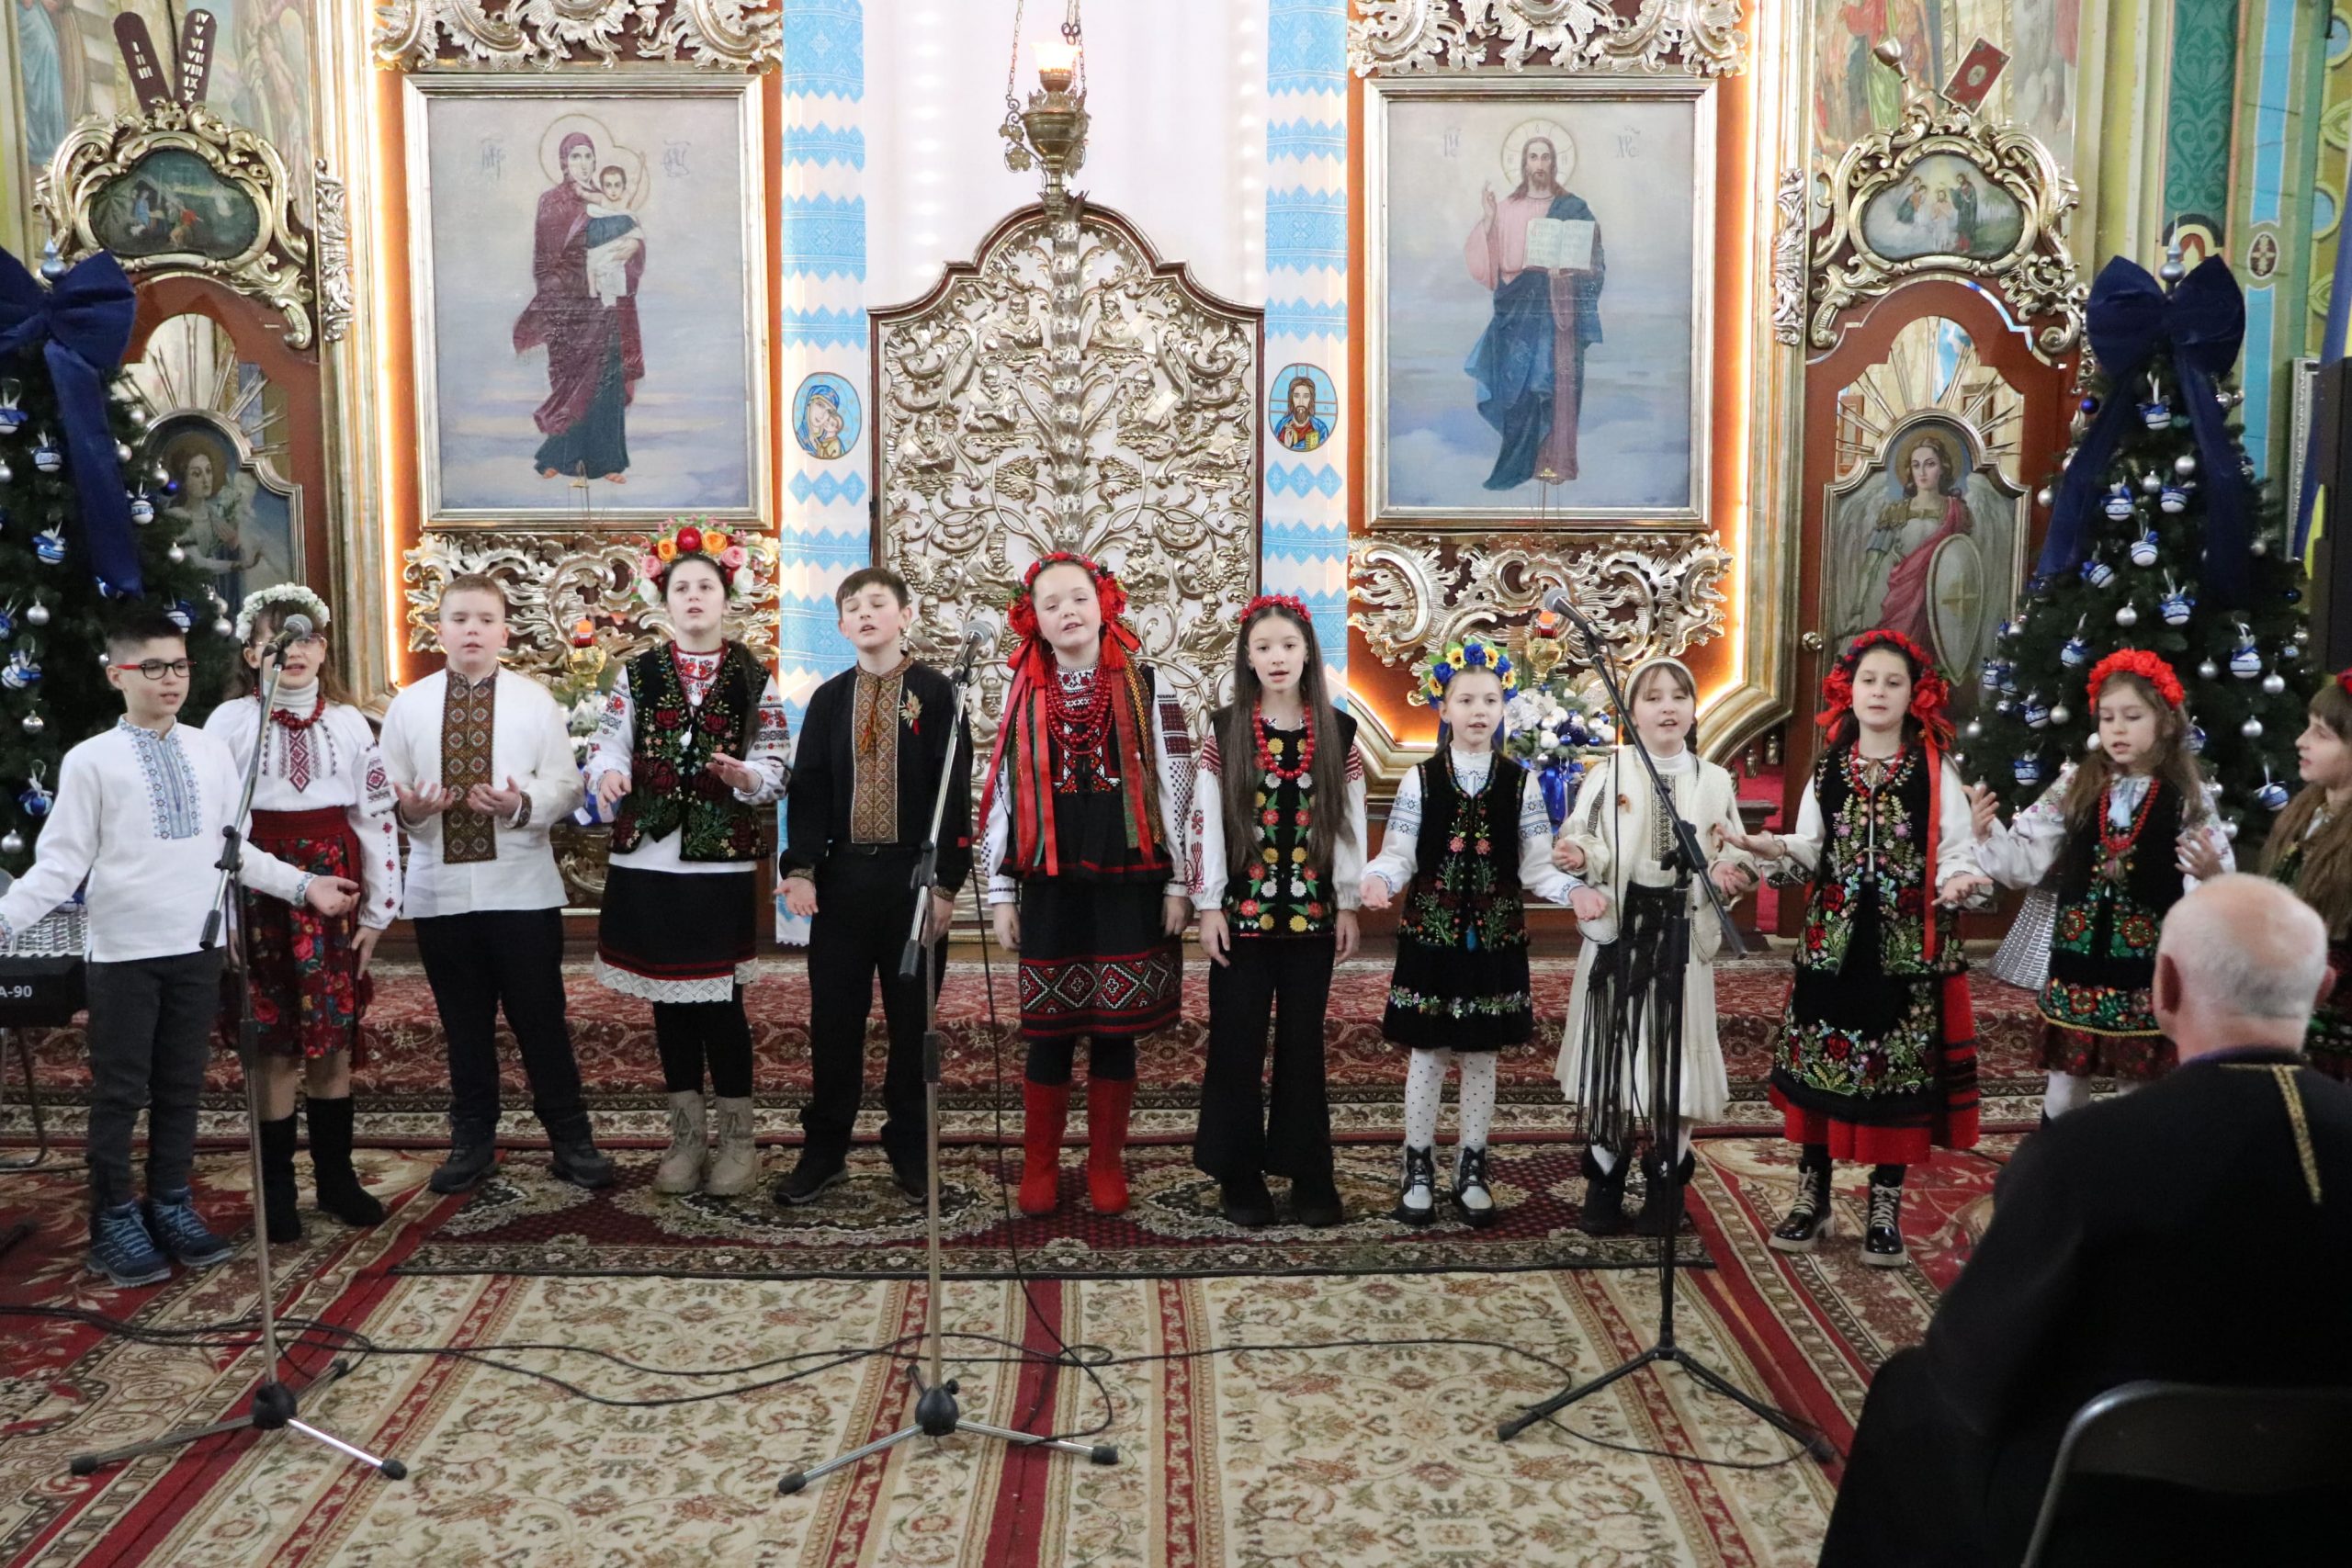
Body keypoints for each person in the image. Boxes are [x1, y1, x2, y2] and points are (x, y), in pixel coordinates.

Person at [1821, 874, 2352, 1568]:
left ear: (2164, 986)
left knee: (1907, 1392)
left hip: (2110, 1522)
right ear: (2324, 988)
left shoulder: (2087, 1151)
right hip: (2323, 1514)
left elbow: (1972, 1363)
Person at [0, 611, 358, 1288]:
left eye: (181, 665)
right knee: (121, 1089)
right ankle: (113, 1215)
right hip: (124, 953)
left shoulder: (208, 750)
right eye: (153, 667)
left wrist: (304, 886)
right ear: (118, 675)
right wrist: (5, 922)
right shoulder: (91, 760)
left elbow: (235, 849)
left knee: (181, 1084)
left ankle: (169, 1201)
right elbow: (59, 865)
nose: (171, 679)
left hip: (196, 947)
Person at [1724, 630, 1989, 1267]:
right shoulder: (1828, 769)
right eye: (1869, 680)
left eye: (1893, 682)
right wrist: (1770, 848)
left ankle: (1884, 1205)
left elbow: (1957, 848)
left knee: (1896, 1077)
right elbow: (1811, 850)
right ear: (1850, 690)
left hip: (1906, 949)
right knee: (1820, 1070)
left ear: (1914, 695)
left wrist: (1960, 878)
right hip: (1833, 944)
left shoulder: (1935, 769)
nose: (1879, 692)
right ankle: (1811, 1195)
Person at [379, 574, 616, 1194]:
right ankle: (472, 1141)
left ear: (505, 632)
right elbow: (388, 792)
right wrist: (412, 809)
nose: (472, 630)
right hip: (439, 892)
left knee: (541, 1019)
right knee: (463, 1025)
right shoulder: (409, 705)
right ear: (439, 629)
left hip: (521, 891)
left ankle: (571, 1138)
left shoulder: (533, 701)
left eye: (485, 620)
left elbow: (567, 787)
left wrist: (520, 803)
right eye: (460, 619)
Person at [982, 552, 1192, 1218]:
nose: (1067, 612)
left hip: (1130, 877)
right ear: (1034, 621)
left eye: (1078, 597)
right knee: (1049, 1029)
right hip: (1051, 878)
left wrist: (1181, 881)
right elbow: (1003, 794)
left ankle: (1105, 1162)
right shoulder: (1023, 691)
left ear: (1105, 604)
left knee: (1113, 1028)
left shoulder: (1150, 684)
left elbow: (1179, 787)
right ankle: (1040, 1164)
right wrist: (1001, 893)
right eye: (1051, 604)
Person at [588, 526, 789, 1199]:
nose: (695, 596)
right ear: (665, 601)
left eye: (706, 585)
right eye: (683, 588)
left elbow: (776, 762)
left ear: (726, 598)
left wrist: (748, 777)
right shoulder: (637, 674)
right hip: (649, 860)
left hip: (718, 862)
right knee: (667, 1004)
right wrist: (608, 773)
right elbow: (607, 743)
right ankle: (684, 1137)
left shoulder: (755, 676)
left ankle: (739, 1141)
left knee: (721, 1005)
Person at [1360, 636, 1580, 1226]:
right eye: (1466, 700)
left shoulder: (1520, 783)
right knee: (1428, 1052)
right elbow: (1399, 853)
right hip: (1431, 940)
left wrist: (1573, 891)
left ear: (1503, 708)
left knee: (1481, 1055)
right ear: (1444, 708)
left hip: (1494, 941)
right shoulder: (1421, 780)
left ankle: (1473, 1163)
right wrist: (1378, 878)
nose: (1479, 711)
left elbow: (1537, 867)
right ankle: (1418, 1163)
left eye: (1489, 700)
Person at [204, 586, 402, 1244]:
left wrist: (379, 908)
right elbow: (218, 829)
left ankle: (336, 1178)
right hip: (259, 888)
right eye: (277, 641)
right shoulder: (230, 724)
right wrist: (225, 918)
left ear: (323, 650)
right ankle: (278, 1190)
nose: (294, 652)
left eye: (307, 639)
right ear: (251, 653)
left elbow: (374, 817)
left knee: (330, 1035)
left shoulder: (348, 723)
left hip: (334, 891)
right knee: (274, 1042)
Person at [775, 567, 970, 1204]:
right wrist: (801, 869)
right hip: (844, 880)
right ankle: (825, 1149)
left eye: (877, 603)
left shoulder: (939, 694)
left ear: (905, 615)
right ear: (840, 625)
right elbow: (808, 790)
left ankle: (911, 1147)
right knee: (834, 1021)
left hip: (913, 882)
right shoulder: (830, 699)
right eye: (853, 607)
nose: (865, 614)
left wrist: (945, 887)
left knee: (913, 1024)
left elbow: (953, 797)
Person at [1972, 651, 2230, 1121]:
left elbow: (2210, 876)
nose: (2118, 729)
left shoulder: (2186, 796)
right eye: (2108, 718)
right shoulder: (2077, 784)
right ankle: (2062, 1159)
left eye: (2132, 717)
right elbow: (2026, 860)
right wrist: (1988, 834)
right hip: (2076, 965)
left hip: (2144, 969)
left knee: (2138, 1086)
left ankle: (2132, 1163)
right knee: (2065, 1087)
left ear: (2165, 722)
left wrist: (2212, 877)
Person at [1554, 656, 1756, 1235]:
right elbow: (1586, 836)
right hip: (1622, 933)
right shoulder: (1610, 772)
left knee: (1677, 1062)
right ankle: (1606, 1173)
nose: (1668, 707)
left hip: (1683, 938)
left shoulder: (1714, 780)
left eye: (1679, 696)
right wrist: (1579, 854)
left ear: (1694, 709)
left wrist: (1732, 872)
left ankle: (1667, 1181)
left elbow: (1733, 848)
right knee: (1613, 1055)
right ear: (1632, 712)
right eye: (1653, 697)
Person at [1189, 594, 1366, 1228]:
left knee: (1303, 1044)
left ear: (1307, 653)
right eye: (1263, 647)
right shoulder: (1226, 730)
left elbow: (1348, 824)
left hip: (1312, 918)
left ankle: (1308, 1170)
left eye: (1288, 646)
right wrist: (1208, 904)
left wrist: (1348, 902)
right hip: (1241, 917)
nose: (1277, 657)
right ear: (1247, 657)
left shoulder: (1338, 732)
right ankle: (1239, 1171)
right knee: (1236, 1042)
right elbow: (1205, 821)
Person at [1464, 134, 1606, 489]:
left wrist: (1568, 274)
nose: (1539, 164)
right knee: (1519, 392)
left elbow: (1595, 263)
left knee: (1555, 384)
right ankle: (1519, 462)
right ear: (1524, 163)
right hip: (1516, 307)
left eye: (1545, 158)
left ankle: (1554, 462)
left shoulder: (1574, 208)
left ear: (1554, 163)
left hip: (1556, 309)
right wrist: (1489, 219)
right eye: (1533, 157)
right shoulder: (1506, 208)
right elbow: (1486, 268)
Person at [514, 130, 643, 483]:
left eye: (588, 156)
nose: (583, 164)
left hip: (606, 308)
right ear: (563, 161)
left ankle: (608, 462)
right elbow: (544, 259)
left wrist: (634, 247)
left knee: (606, 382)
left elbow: (630, 235)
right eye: (575, 157)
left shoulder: (607, 198)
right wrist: (559, 297)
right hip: (569, 308)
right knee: (570, 384)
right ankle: (559, 458)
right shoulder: (551, 202)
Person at [2262, 668, 2352, 1080]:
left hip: (2334, 1027)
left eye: (2321, 734)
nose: (2301, 741)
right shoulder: (2306, 813)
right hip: (2289, 1012)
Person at [1843, 431, 1974, 658]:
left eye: (1930, 464)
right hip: (1902, 601)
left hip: (1941, 605)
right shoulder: (1896, 512)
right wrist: (1857, 611)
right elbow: (1872, 564)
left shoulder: (1957, 512)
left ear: (1942, 467)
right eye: (1916, 465)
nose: (1922, 472)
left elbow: (1965, 563)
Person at [583, 165, 643, 309]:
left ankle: (610, 295)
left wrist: (640, 165)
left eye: (617, 185)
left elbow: (635, 182)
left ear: (623, 186)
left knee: (613, 265)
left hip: (621, 234)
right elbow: (587, 196)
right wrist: (579, 191)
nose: (613, 190)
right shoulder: (601, 198)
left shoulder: (626, 197)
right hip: (602, 234)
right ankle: (592, 290)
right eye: (608, 185)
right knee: (592, 261)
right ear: (603, 187)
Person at [1272, 375, 1331, 453]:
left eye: (1306, 396)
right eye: (1296, 396)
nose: (1301, 402)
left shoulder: (1321, 429)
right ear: (1291, 399)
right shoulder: (1281, 427)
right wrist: (1287, 446)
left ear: (1311, 400)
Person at [801, 385, 847, 460]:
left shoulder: (834, 441)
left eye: (829, 411)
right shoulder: (800, 438)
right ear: (809, 403)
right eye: (820, 405)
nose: (822, 415)